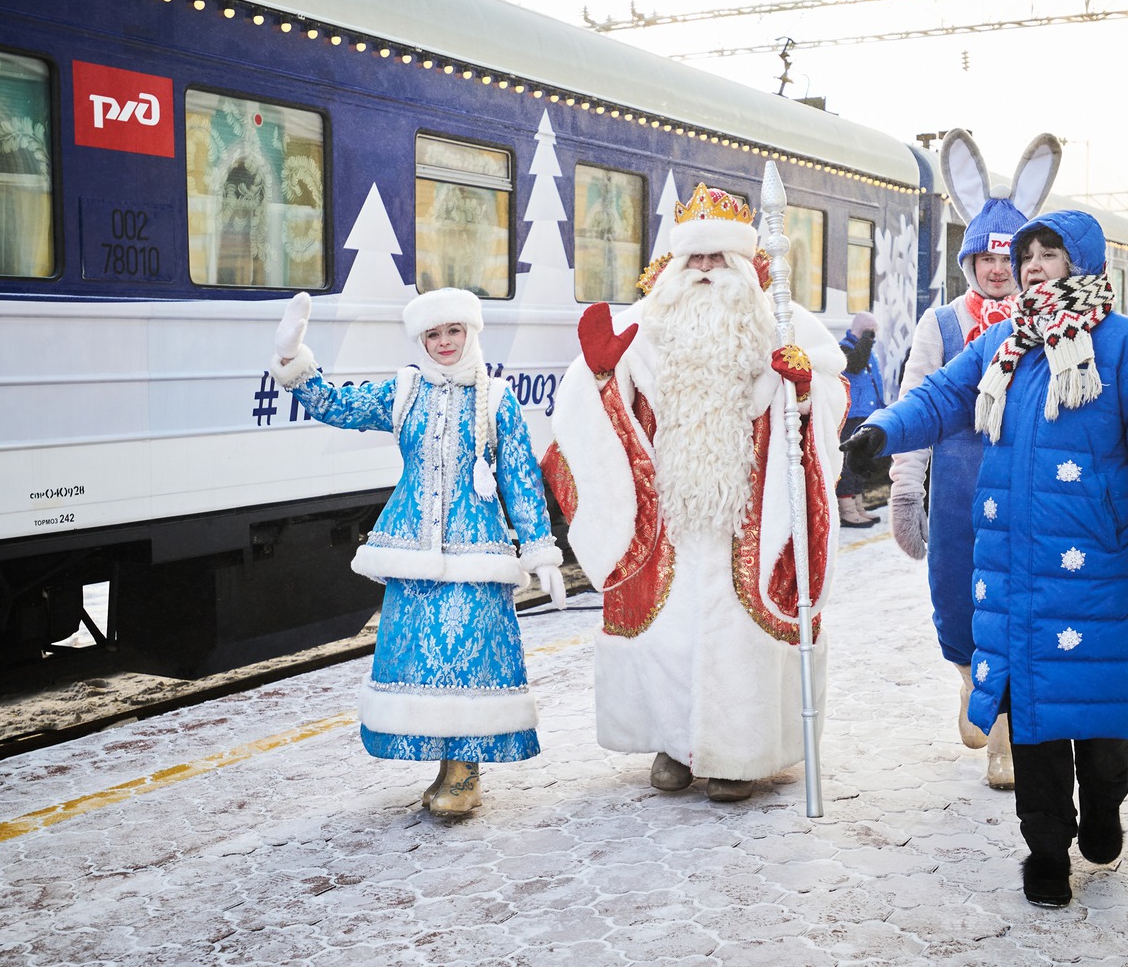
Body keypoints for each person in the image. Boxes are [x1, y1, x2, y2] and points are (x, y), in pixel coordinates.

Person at [843, 209, 1128, 908]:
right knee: (1029, 716)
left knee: (1097, 726)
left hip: (1093, 569)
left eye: (1048, 253)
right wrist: (880, 432)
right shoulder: (1002, 343)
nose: (1030, 265)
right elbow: (941, 396)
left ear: (1083, 262)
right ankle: (1044, 852)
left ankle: (1102, 807)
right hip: (1012, 570)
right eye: (1024, 255)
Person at [542, 183, 846, 804]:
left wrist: (804, 388)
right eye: (695, 260)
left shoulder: (783, 326)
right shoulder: (642, 327)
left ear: (743, 265)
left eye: (719, 260)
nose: (706, 271)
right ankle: (672, 744)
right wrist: (602, 377)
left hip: (751, 517)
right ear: (675, 266)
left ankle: (739, 754)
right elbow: (590, 423)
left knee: (741, 638)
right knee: (667, 633)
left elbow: (826, 408)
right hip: (667, 519)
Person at [269, 288, 566, 816]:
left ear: (471, 332)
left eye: (454, 331)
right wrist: (293, 359)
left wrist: (541, 550)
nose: (445, 342)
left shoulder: (497, 398)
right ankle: (444, 763)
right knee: (428, 657)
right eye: (434, 334)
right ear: (422, 340)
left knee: (469, 653)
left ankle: (465, 772)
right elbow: (339, 406)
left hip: (477, 546)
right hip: (411, 544)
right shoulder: (404, 391)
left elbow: (520, 477)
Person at [888, 128, 1062, 790]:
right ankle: (967, 682)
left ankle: (1004, 737)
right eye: (985, 258)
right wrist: (906, 491)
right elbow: (916, 408)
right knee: (958, 606)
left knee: (1015, 606)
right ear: (968, 262)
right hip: (959, 488)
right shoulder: (940, 326)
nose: (996, 269)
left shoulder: (1053, 327)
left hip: (1024, 485)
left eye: (1007, 257)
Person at [837, 311, 884, 528]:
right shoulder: (844, 348)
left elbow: (874, 380)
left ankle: (858, 505)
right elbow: (855, 365)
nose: (873, 338)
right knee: (848, 462)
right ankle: (846, 509)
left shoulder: (866, 349)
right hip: (851, 415)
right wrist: (866, 338)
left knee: (860, 461)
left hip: (866, 413)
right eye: (871, 332)